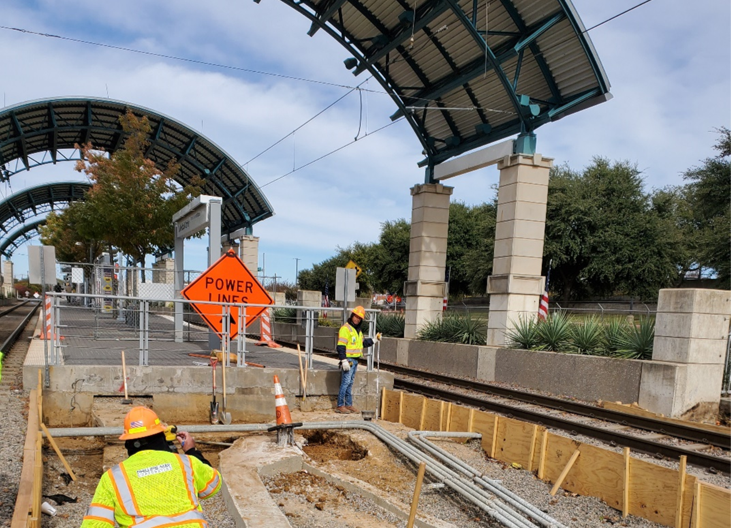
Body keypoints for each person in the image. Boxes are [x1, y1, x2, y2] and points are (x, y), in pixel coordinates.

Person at [81, 406, 221, 527]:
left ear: (128, 442)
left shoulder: (113, 478)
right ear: (161, 435)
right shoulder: (186, 462)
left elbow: (95, 524)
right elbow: (213, 485)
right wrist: (191, 451)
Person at [335, 306, 381, 414]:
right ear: (352, 316)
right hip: (349, 359)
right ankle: (340, 405)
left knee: (350, 383)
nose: (357, 319)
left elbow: (362, 343)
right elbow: (340, 346)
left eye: (359, 318)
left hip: (355, 360)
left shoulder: (358, 330)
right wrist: (343, 360)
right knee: (345, 383)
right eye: (356, 316)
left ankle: (349, 404)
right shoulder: (346, 329)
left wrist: (374, 340)